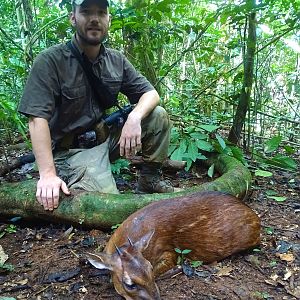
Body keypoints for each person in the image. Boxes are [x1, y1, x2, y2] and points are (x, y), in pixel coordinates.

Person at [18, 0, 173, 212]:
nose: (94, 19)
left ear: (108, 20)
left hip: (104, 139)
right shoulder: (50, 61)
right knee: (109, 208)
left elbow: (151, 93)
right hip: (70, 152)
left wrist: (134, 118)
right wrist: (47, 175)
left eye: (101, 13)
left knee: (157, 115)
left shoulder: (116, 60)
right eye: (86, 12)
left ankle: (149, 179)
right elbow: (37, 118)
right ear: (73, 18)